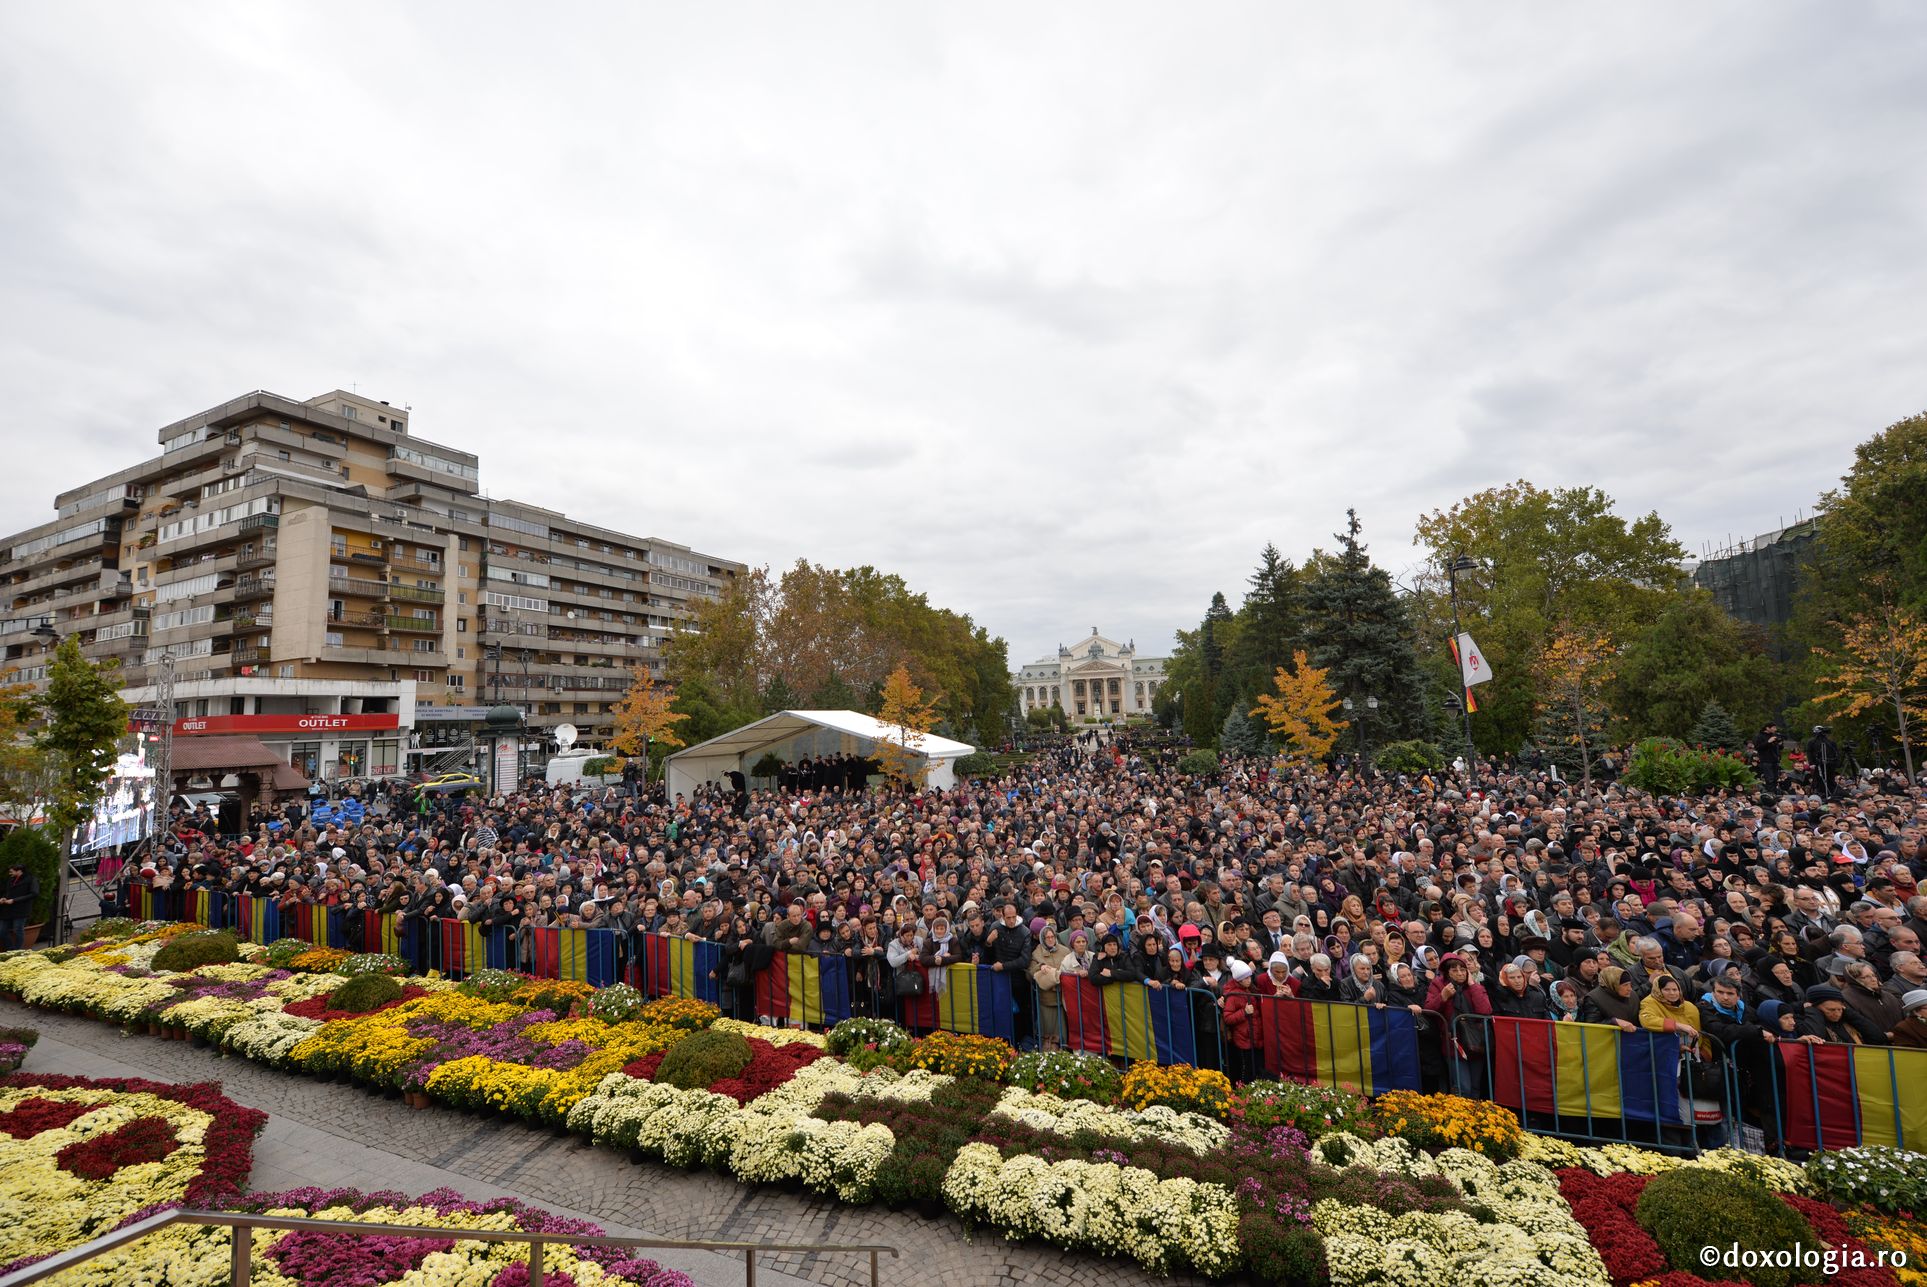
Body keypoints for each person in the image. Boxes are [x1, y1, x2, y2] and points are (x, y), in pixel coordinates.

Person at [0, 859, 39, 951]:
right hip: (7, 910)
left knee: (18, 930)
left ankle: (18, 950)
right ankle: (11, 949)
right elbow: (7, 892)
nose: (10, 873)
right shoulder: (11, 880)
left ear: (19, 871)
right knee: (2, 931)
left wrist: (14, 900)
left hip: (21, 909)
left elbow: (34, 893)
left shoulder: (31, 879)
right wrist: (3, 898)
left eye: (11, 872)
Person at [1753, 723, 1784, 794]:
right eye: (1773, 727)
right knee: (1770, 779)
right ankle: (1770, 794)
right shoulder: (1759, 736)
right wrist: (1768, 742)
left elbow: (1779, 748)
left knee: (1775, 778)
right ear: (1767, 728)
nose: (1775, 729)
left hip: (1775, 760)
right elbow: (1758, 747)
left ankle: (1775, 793)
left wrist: (1780, 743)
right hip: (1766, 760)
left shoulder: (1774, 735)